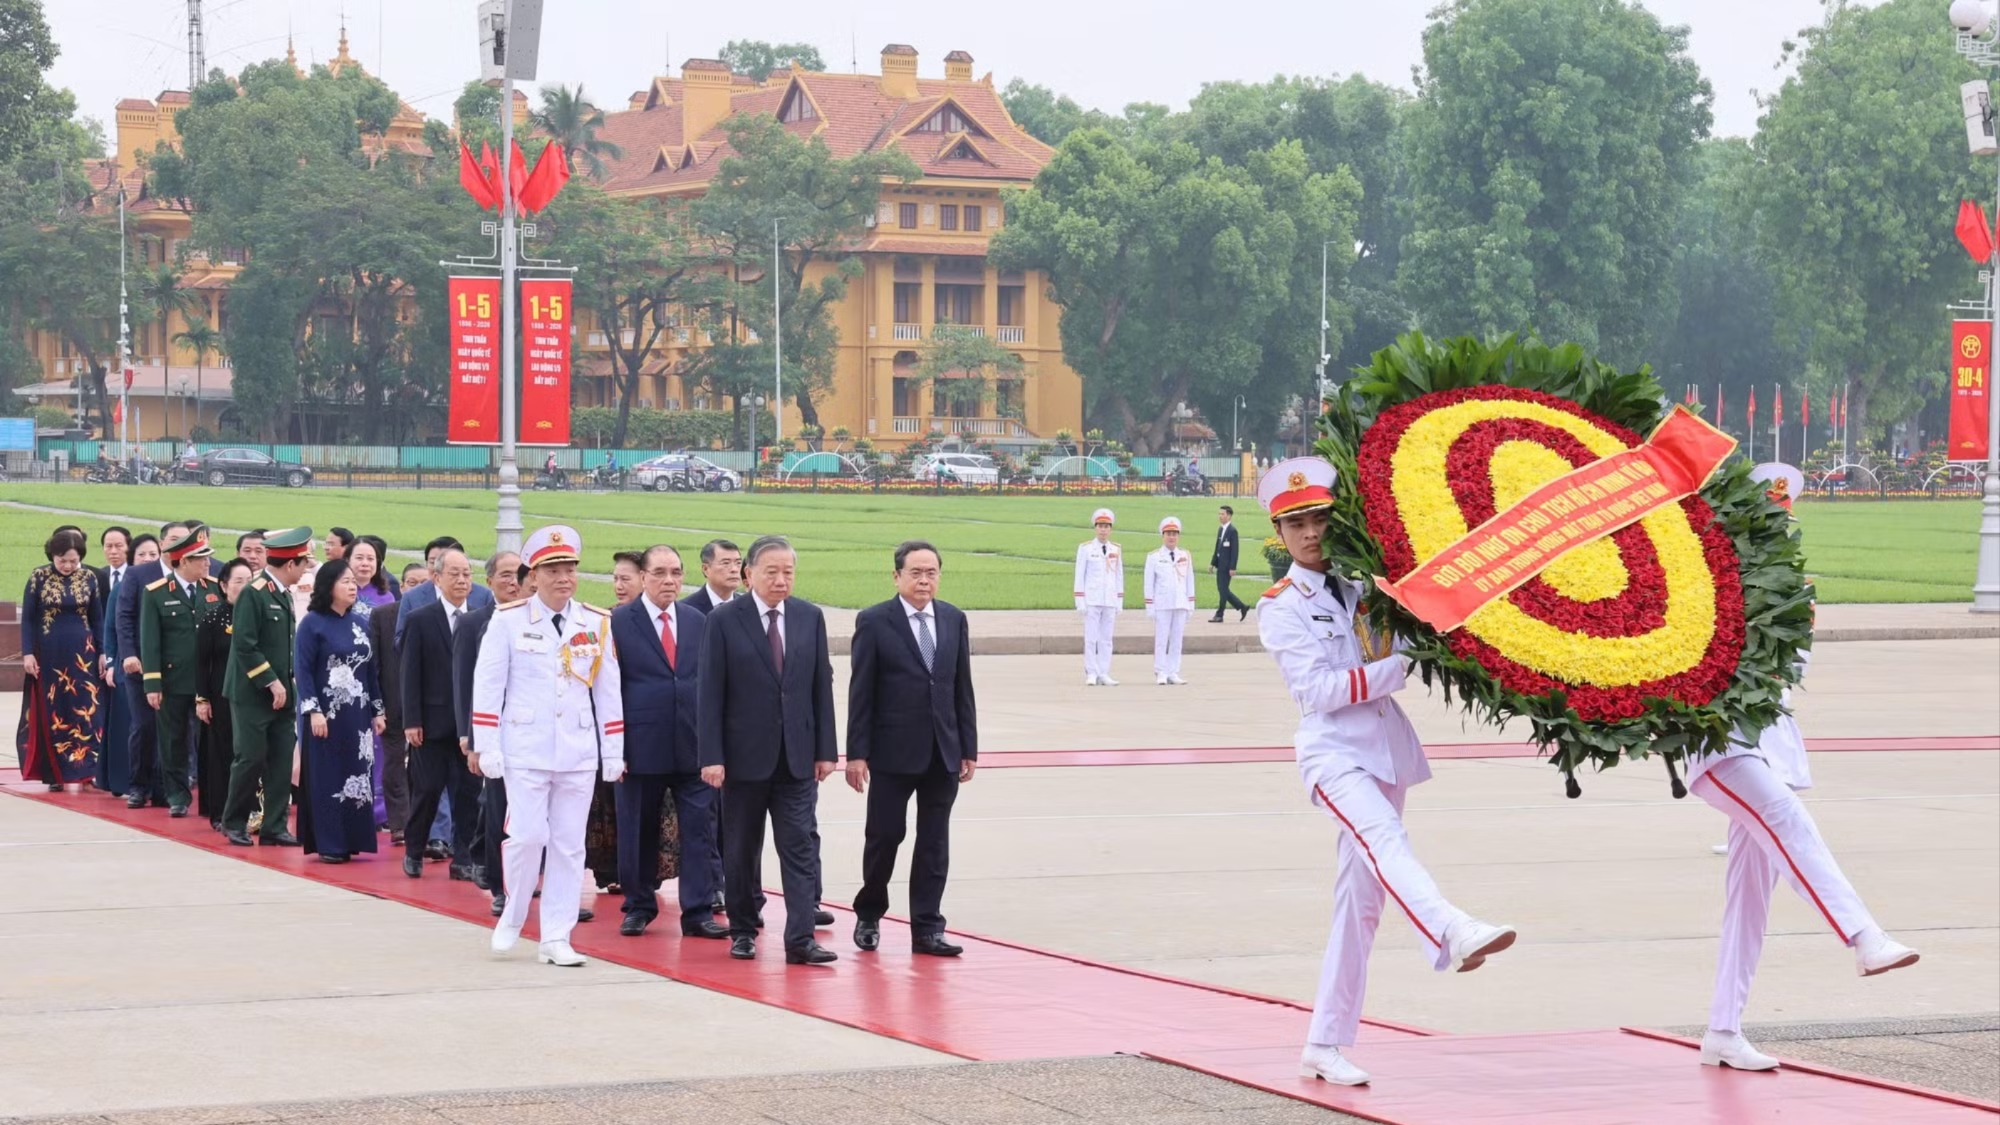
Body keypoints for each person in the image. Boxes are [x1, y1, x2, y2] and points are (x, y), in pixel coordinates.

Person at [1255, 457, 1516, 1088]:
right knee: (1385, 843)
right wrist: (1405, 663)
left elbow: (1407, 641)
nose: (1311, 532)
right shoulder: (1282, 606)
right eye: (1297, 524)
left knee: (1359, 906)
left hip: (1385, 749)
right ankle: (1450, 930)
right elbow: (1318, 690)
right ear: (1279, 534)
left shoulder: (1363, 586)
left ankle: (1324, 1043)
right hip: (1334, 753)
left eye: (1319, 517)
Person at [1687, 463, 1918, 1072]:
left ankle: (1722, 1030)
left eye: (1785, 516)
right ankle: (1865, 937)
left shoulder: (1794, 589)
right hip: (1719, 742)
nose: (1778, 525)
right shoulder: (1708, 577)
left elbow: (1789, 676)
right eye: (1767, 515)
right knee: (1788, 820)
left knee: (1749, 900)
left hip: (1770, 743)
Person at [471, 526, 623, 967]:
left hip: (577, 749)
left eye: (570, 569)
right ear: (532, 576)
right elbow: (488, 684)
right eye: (553, 570)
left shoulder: (595, 622)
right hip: (526, 746)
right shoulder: (509, 619)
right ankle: (513, 916)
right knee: (528, 836)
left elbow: (607, 691)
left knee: (569, 845)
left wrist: (613, 750)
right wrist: (488, 744)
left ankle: (556, 936)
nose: (564, 578)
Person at [698, 535, 839, 965]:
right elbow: (710, 693)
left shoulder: (809, 617)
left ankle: (800, 938)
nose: (781, 580)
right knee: (742, 849)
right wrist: (711, 756)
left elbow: (821, 687)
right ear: (749, 575)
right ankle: (742, 929)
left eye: (788, 572)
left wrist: (826, 750)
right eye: (772, 572)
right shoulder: (724, 620)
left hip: (796, 758)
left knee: (799, 847)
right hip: (742, 761)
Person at [846, 540, 977, 957]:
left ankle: (927, 927)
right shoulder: (874, 621)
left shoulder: (954, 619)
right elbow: (861, 692)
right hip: (891, 753)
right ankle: (869, 913)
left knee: (935, 842)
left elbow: (962, 688)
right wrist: (857, 753)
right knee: (885, 836)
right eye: (916, 572)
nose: (924, 580)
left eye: (931, 572)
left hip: (943, 752)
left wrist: (968, 747)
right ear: (897, 576)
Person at [610, 544, 722, 939]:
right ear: (642, 577)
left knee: (699, 830)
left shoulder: (697, 620)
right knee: (637, 829)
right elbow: (608, 690)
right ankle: (639, 905)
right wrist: (614, 750)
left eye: (676, 572)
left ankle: (698, 910)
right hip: (640, 747)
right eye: (660, 573)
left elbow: (711, 684)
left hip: (693, 746)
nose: (669, 581)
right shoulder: (618, 623)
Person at [220, 526, 313, 848]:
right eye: (304, 563)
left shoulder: (282, 594)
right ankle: (234, 822)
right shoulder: (254, 592)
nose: (305, 570)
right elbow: (245, 645)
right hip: (253, 694)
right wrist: (272, 682)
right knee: (250, 758)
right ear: (290, 564)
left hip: (284, 693)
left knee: (281, 760)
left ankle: (275, 825)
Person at [293, 558, 386, 863]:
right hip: (327, 716)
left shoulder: (360, 622)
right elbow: (303, 671)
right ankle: (330, 843)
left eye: (352, 582)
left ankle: (354, 838)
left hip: (356, 717)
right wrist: (313, 711)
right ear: (328, 586)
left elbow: (370, 671)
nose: (351, 586)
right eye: (344, 581)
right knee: (328, 777)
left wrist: (377, 710)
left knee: (357, 773)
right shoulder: (312, 623)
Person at [399, 549, 482, 880]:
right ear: (437, 578)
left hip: (470, 726)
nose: (462, 580)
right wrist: (411, 721)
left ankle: (463, 858)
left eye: (467, 574)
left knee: (469, 794)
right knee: (428, 789)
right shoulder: (421, 619)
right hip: (431, 724)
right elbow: (409, 673)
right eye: (454, 574)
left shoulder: (481, 617)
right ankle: (414, 849)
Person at [140, 524, 222, 817]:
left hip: (207, 682)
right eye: (201, 558)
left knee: (209, 741)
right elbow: (150, 641)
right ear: (184, 561)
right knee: (173, 740)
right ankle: (177, 795)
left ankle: (211, 796)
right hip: (173, 680)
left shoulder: (214, 589)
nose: (208, 563)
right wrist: (152, 683)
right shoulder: (157, 593)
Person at [455, 551, 520, 916]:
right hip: (495, 735)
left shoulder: (538, 618)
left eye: (519, 575)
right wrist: (472, 739)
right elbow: (467, 685)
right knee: (499, 812)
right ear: (491, 580)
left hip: (535, 733)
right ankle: (500, 884)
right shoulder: (474, 623)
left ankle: (533, 881)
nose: (513, 582)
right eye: (506, 575)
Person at [17, 529, 105, 790]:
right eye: (62, 560)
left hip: (84, 655)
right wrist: (28, 652)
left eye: (73, 561)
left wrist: (102, 653)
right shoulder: (39, 577)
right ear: (52, 556)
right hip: (49, 653)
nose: (67, 566)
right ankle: (55, 772)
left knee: (87, 711)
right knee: (54, 709)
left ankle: (86, 772)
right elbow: (29, 619)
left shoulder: (89, 577)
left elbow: (97, 618)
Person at [118, 522, 188, 808]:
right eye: (173, 540)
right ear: (161, 543)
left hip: (179, 669)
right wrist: (128, 654)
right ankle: (138, 785)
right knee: (145, 726)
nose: (178, 545)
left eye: (185, 541)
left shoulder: (195, 573)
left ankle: (168, 790)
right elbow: (124, 617)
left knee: (177, 732)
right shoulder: (138, 574)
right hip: (144, 668)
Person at [196, 558, 252, 830]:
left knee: (251, 754)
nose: (244, 586)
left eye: (248, 581)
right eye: (238, 581)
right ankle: (220, 811)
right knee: (222, 753)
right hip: (221, 695)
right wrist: (202, 698)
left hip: (253, 695)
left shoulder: (257, 614)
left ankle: (251, 809)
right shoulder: (214, 617)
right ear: (224, 585)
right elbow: (200, 662)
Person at [347, 535, 397, 829]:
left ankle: (379, 811)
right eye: (359, 558)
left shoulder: (386, 597)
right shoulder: (336, 592)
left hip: (376, 678)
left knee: (377, 745)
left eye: (371, 559)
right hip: (344, 678)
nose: (365, 564)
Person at [94, 527, 135, 796]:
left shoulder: (136, 577)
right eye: (108, 546)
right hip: (110, 658)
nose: (113, 551)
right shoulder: (97, 577)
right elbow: (106, 623)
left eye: (118, 545)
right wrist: (107, 658)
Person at [1072, 509, 1124, 686]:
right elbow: (1080, 575)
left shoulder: (1115, 549)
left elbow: (1118, 575)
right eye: (1100, 526)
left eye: (1106, 527)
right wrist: (1080, 600)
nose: (1103, 530)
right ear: (1095, 528)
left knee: (1107, 639)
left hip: (1109, 598)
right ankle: (1091, 672)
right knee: (1091, 638)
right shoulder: (1086, 548)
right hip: (1092, 599)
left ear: (1111, 529)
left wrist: (1119, 600)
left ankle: (1104, 672)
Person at [1144, 516, 1195, 686]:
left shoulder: (1185, 555)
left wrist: (1191, 603)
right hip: (1163, 603)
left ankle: (1173, 671)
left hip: (1180, 602)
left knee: (1177, 639)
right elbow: (1148, 583)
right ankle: (1160, 671)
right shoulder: (1154, 557)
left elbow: (1189, 580)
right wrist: (1149, 605)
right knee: (1161, 638)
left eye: (1175, 534)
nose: (1172, 537)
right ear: (1163, 535)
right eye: (1168, 534)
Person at [1209, 505, 1249, 623]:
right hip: (1220, 565)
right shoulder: (1221, 529)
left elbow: (1234, 551)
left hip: (1227, 567)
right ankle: (1242, 607)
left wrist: (1233, 567)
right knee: (1223, 590)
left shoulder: (1232, 531)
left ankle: (1220, 614)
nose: (1220, 516)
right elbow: (1217, 548)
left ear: (1229, 516)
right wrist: (1212, 563)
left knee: (1223, 590)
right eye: (1219, 514)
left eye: (1223, 514)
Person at [680, 539, 742, 614]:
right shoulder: (686, 610)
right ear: (706, 569)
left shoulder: (748, 607)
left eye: (738, 563)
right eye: (726, 563)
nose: (734, 569)